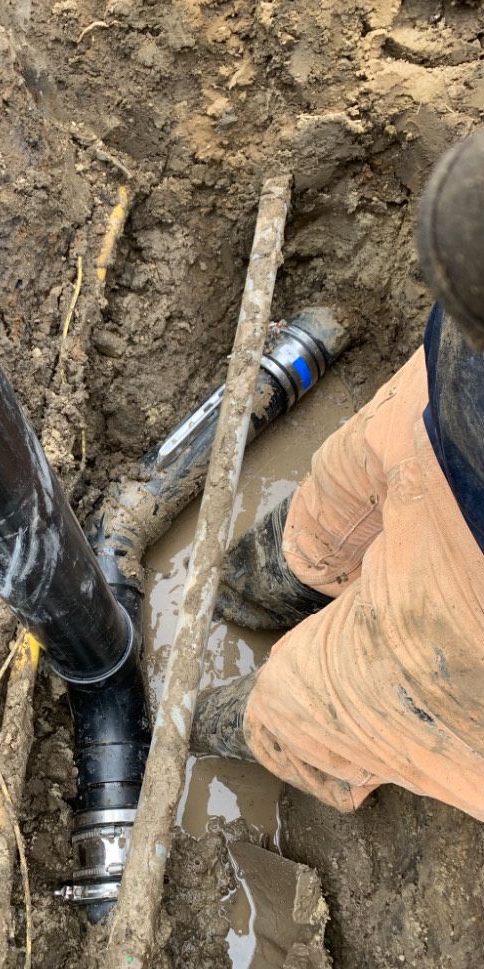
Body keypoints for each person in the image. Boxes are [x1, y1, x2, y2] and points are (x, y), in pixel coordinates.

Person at [191, 131, 484, 821]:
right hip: (452, 398)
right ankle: (269, 585)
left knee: (319, 705)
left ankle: (233, 726)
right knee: (331, 507)